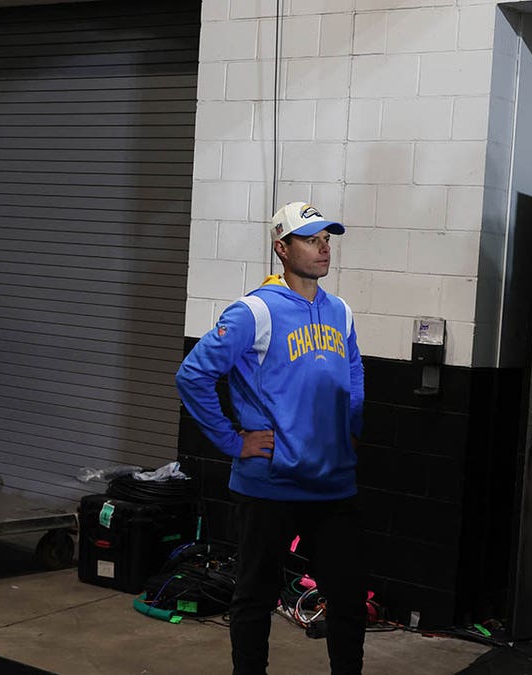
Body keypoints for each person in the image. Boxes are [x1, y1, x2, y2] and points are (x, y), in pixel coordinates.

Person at [176, 202, 367, 675]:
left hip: (333, 485)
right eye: (310, 239)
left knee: (347, 599)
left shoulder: (339, 310)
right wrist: (233, 441)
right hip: (270, 484)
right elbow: (193, 375)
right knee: (254, 598)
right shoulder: (255, 311)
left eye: (327, 238)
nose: (323, 247)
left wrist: (351, 429)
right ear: (282, 248)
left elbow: (355, 370)